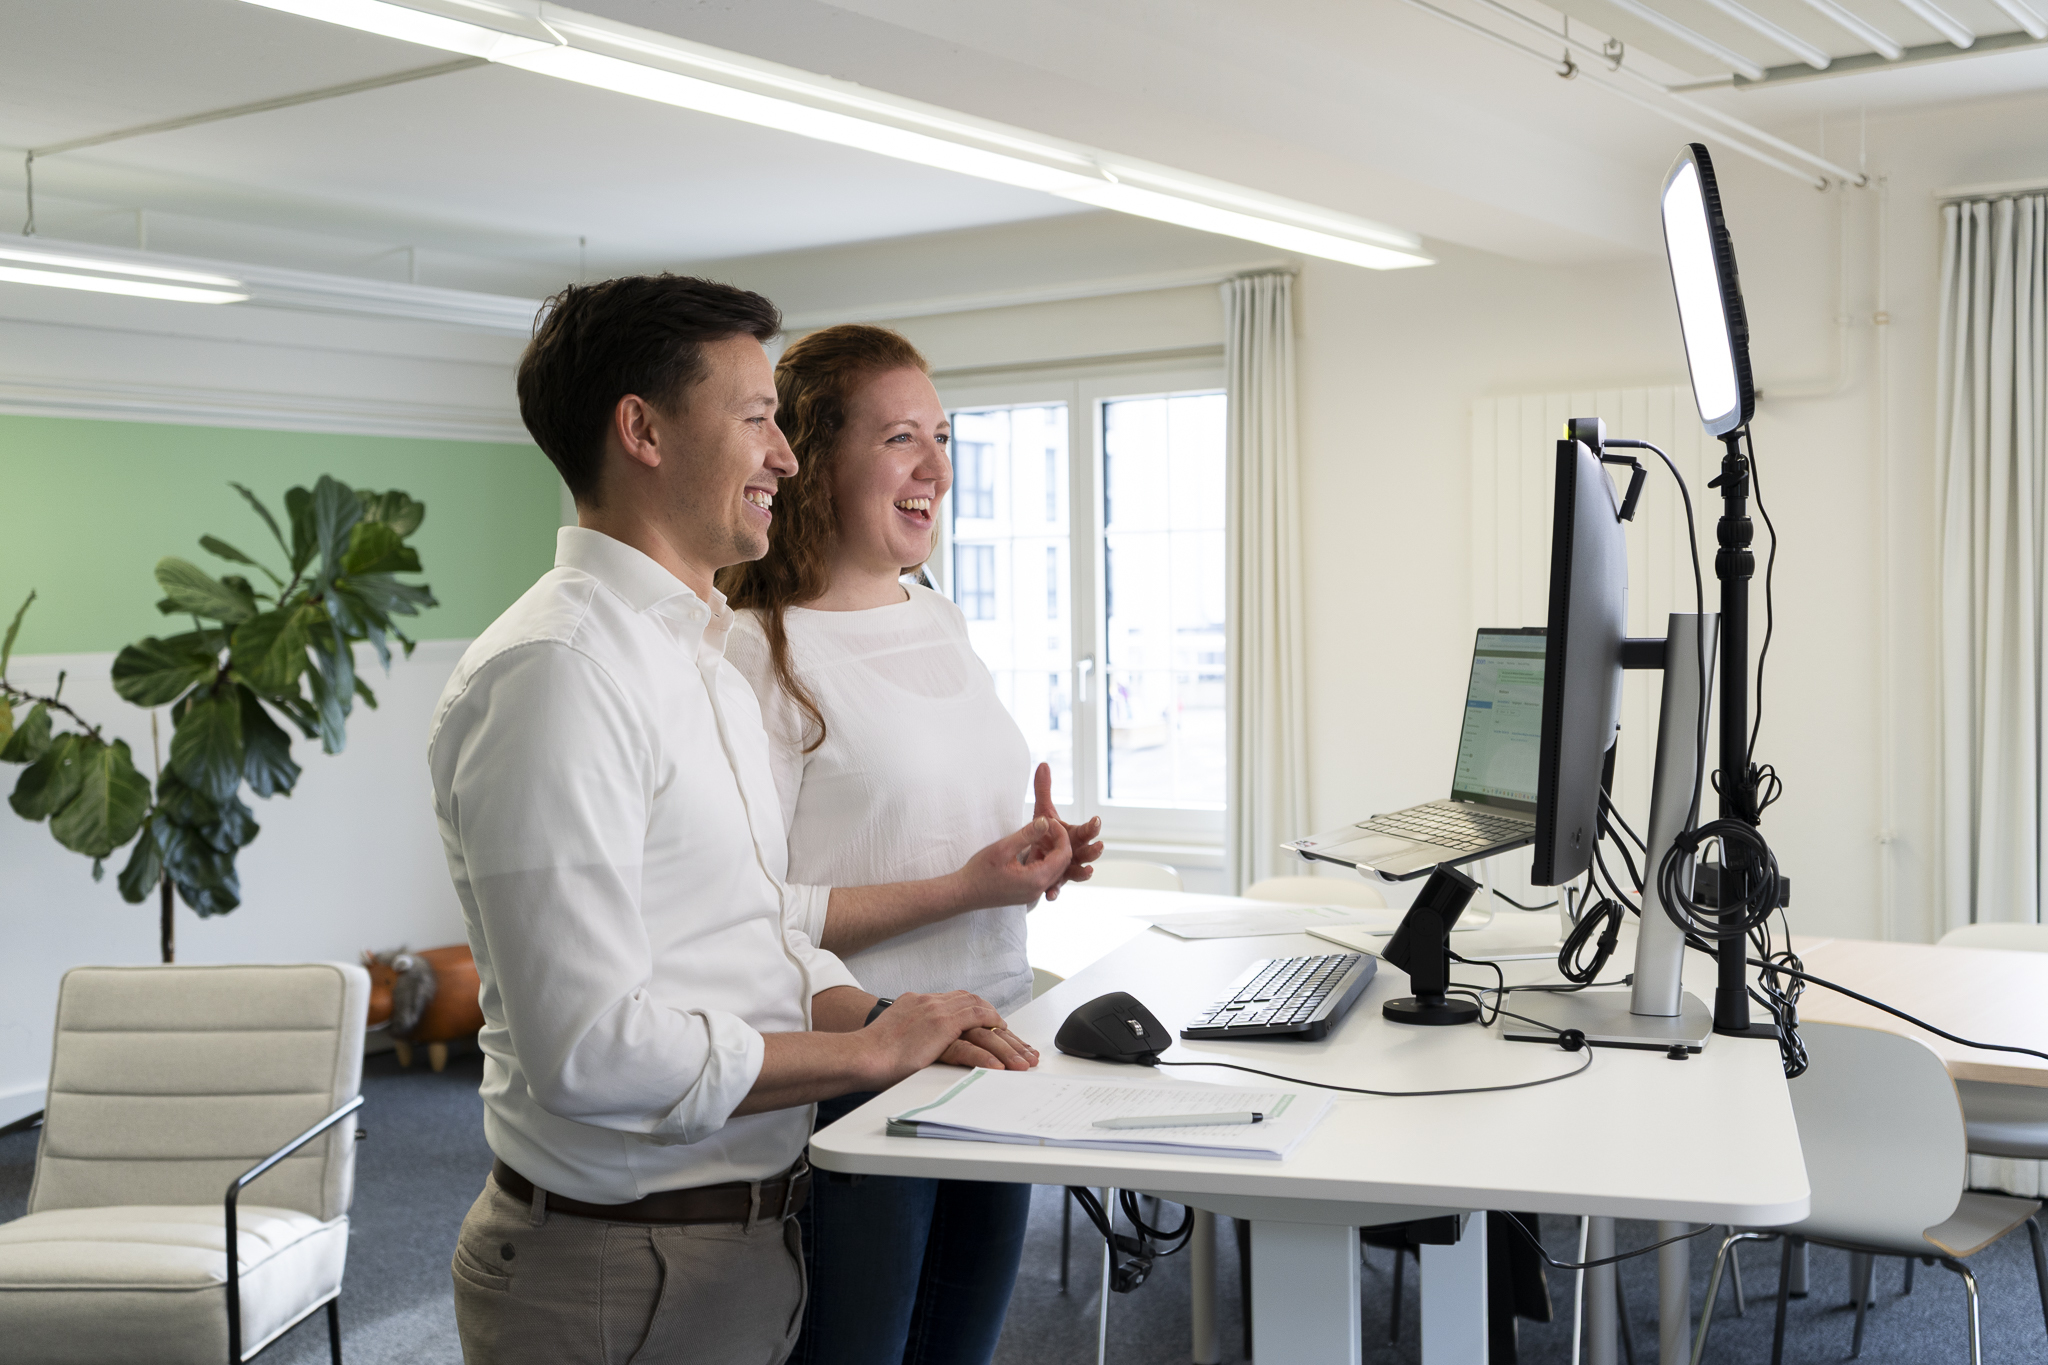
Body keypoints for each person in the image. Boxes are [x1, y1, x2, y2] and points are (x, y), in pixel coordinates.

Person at [428, 278, 1073, 1365]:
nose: (784, 455)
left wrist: (894, 1015)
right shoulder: (559, 673)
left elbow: (756, 928)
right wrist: (865, 1054)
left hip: (739, 1241)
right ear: (640, 429)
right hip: (619, 1269)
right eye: (756, 419)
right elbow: (589, 1051)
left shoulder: (697, 652)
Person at [720, 323, 1105, 1365]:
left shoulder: (937, 619)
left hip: (991, 1040)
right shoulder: (753, 653)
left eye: (941, 435)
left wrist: (1029, 857)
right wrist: (957, 886)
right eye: (900, 437)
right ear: (814, 458)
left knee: (959, 1350)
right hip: (858, 1066)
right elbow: (748, 914)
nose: (936, 465)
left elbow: (932, 834)